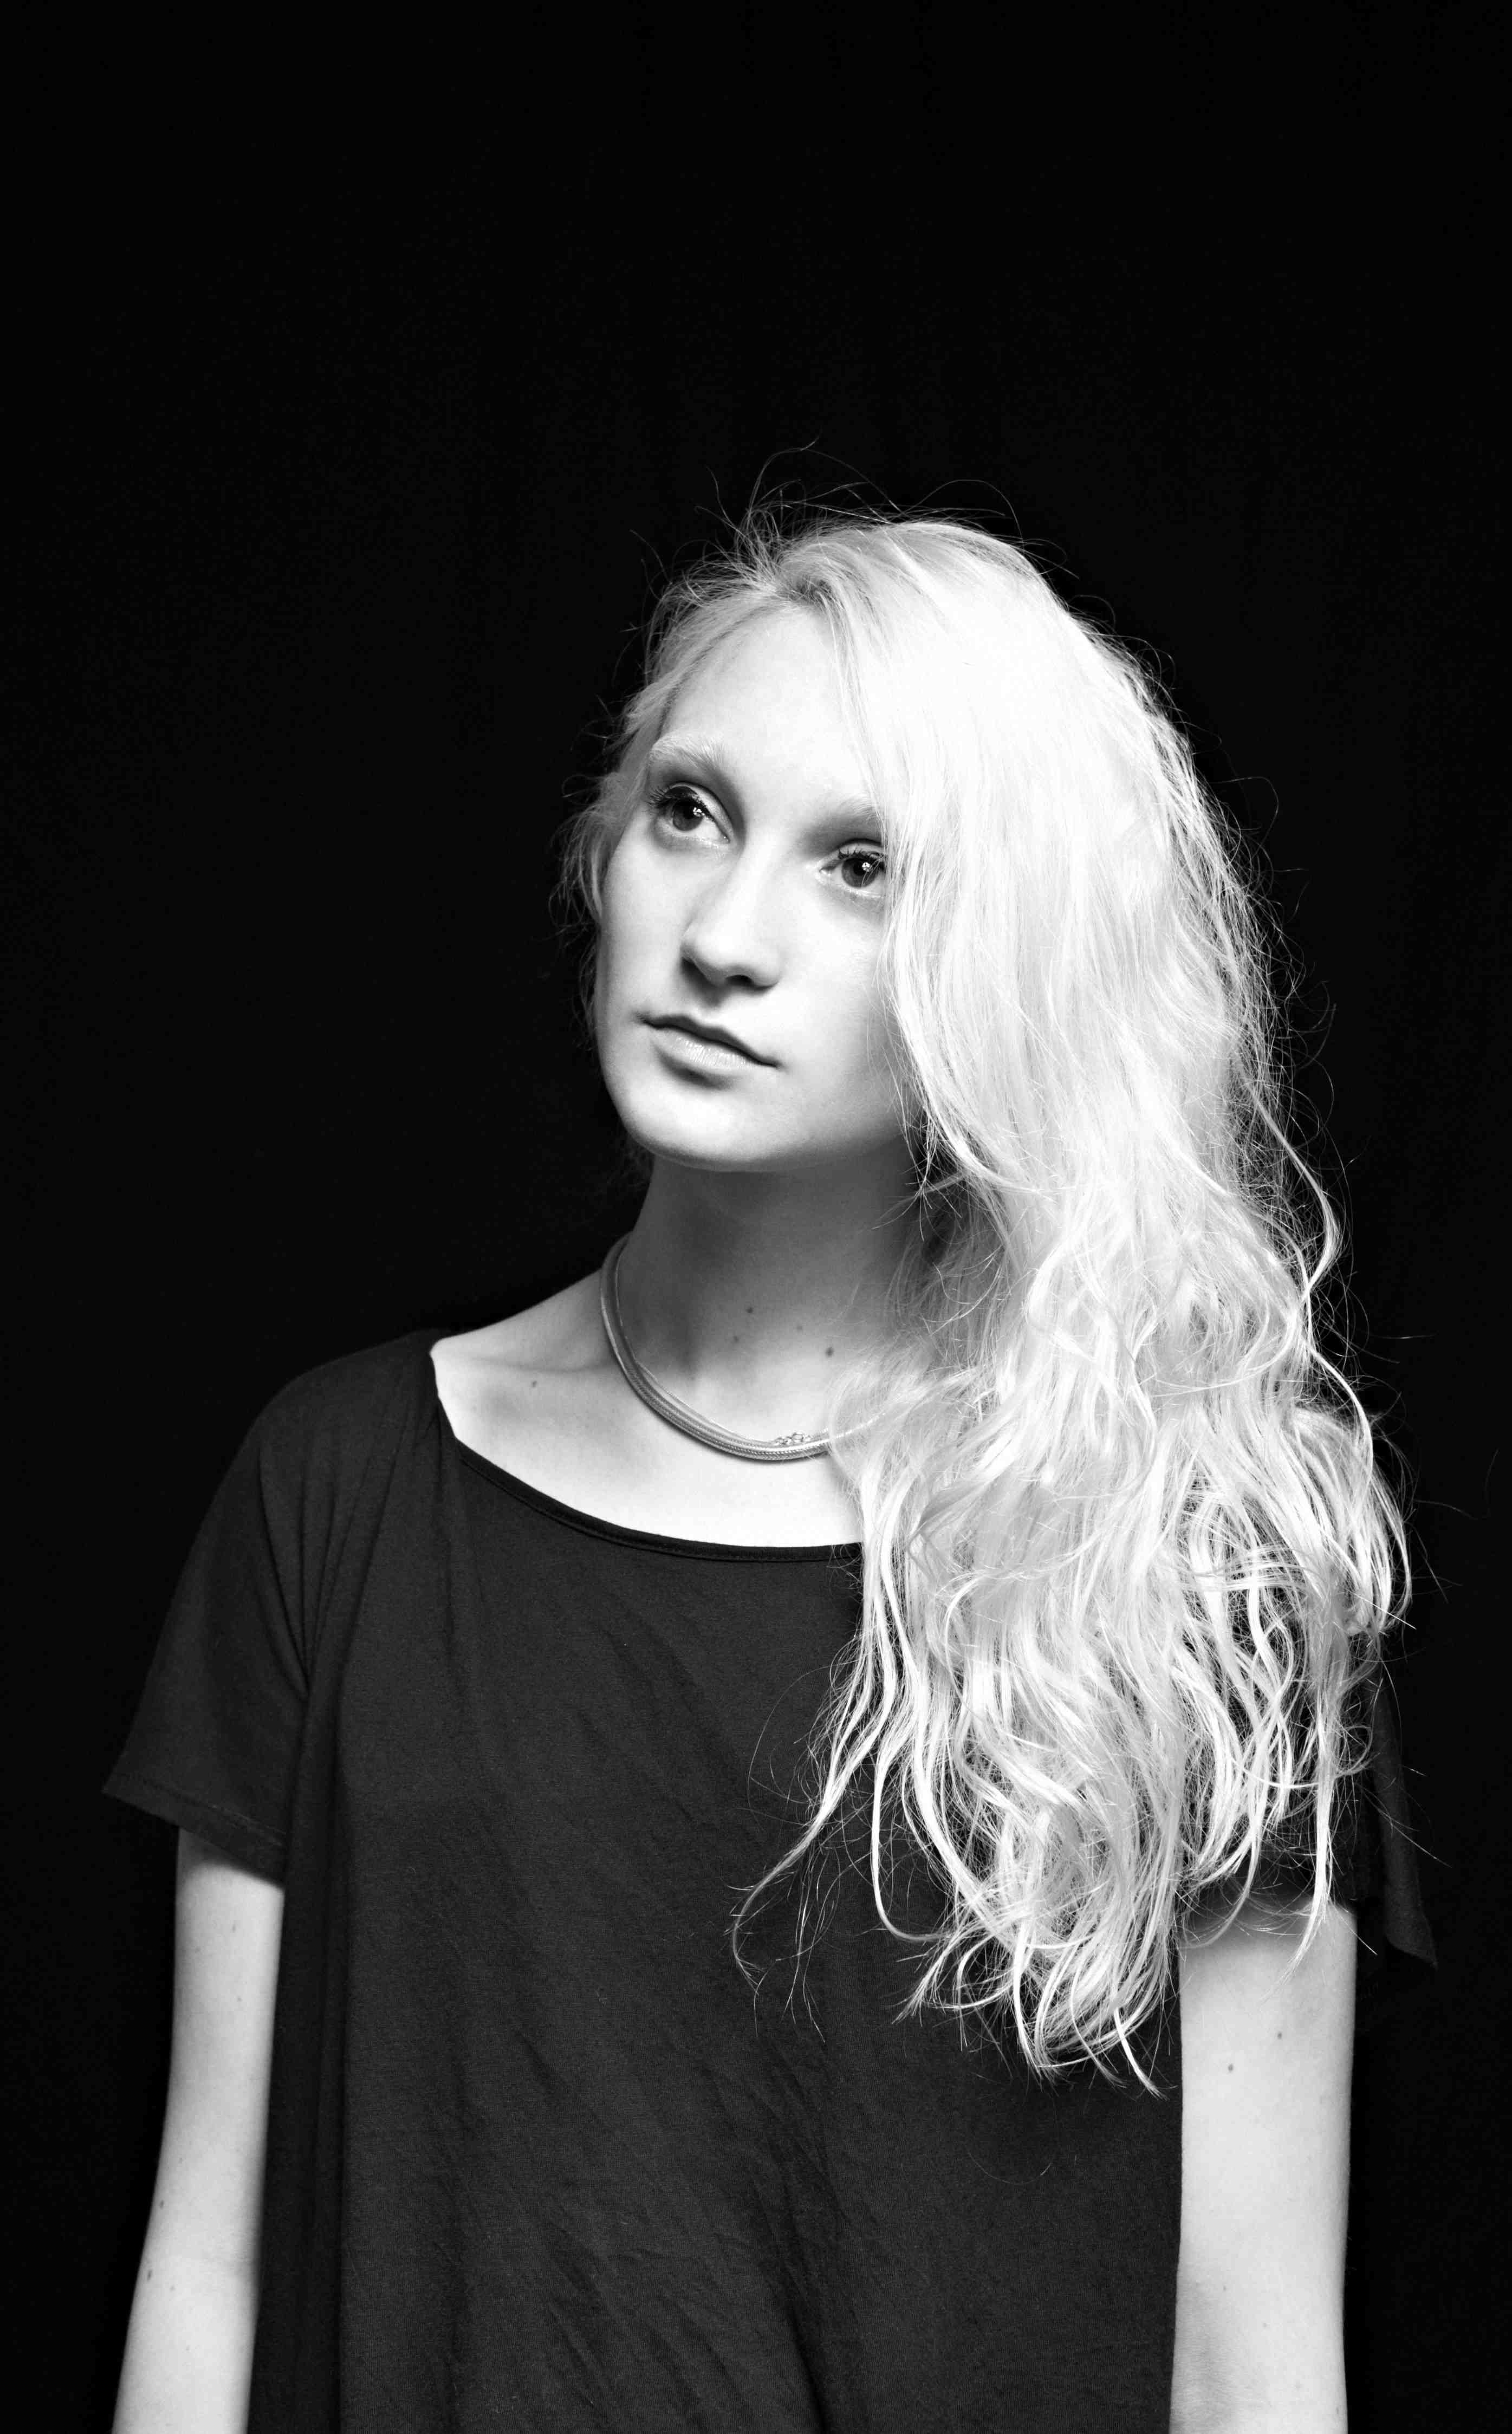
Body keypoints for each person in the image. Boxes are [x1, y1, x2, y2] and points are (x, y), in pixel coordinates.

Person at [106, 506, 1435, 2433]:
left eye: (861, 866)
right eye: (690, 811)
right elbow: (210, 2266)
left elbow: (1249, 2363)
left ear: (1016, 963)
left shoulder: (1184, 1558)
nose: (724, 939)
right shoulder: (340, 1487)